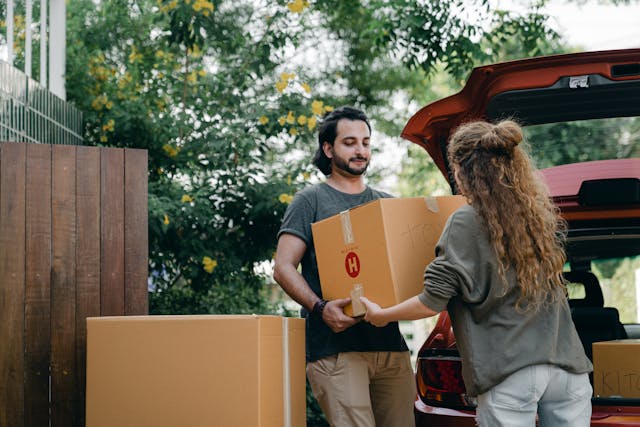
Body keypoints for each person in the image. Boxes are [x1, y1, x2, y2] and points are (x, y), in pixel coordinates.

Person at [360, 119, 593, 427]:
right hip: (569, 371)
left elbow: (432, 302)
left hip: (510, 371)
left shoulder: (465, 221)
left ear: (461, 171)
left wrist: (383, 315)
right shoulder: (537, 216)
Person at [273, 106, 416, 427]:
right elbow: (283, 267)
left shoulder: (388, 204)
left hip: (390, 347)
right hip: (335, 350)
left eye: (366, 142)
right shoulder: (310, 200)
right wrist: (320, 307)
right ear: (328, 148)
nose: (361, 150)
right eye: (350, 142)